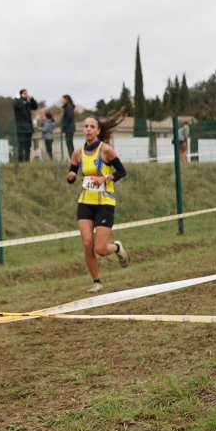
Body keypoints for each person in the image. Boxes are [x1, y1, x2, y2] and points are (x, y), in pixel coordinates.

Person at [67, 111, 130, 294]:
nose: (88, 129)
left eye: (92, 126)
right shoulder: (77, 153)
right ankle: (97, 282)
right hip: (85, 202)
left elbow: (122, 171)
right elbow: (72, 174)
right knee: (87, 244)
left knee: (100, 249)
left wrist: (105, 178)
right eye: (86, 126)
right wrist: (71, 176)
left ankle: (117, 247)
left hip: (105, 203)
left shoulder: (105, 150)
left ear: (98, 130)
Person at [13, 89, 38, 162]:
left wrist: (31, 98)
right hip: (21, 128)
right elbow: (16, 105)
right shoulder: (18, 102)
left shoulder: (28, 103)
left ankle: (27, 160)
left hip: (28, 127)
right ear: (21, 94)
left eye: (26, 93)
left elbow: (35, 107)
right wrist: (21, 98)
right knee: (21, 145)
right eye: (24, 93)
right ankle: (20, 160)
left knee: (28, 145)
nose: (26, 94)